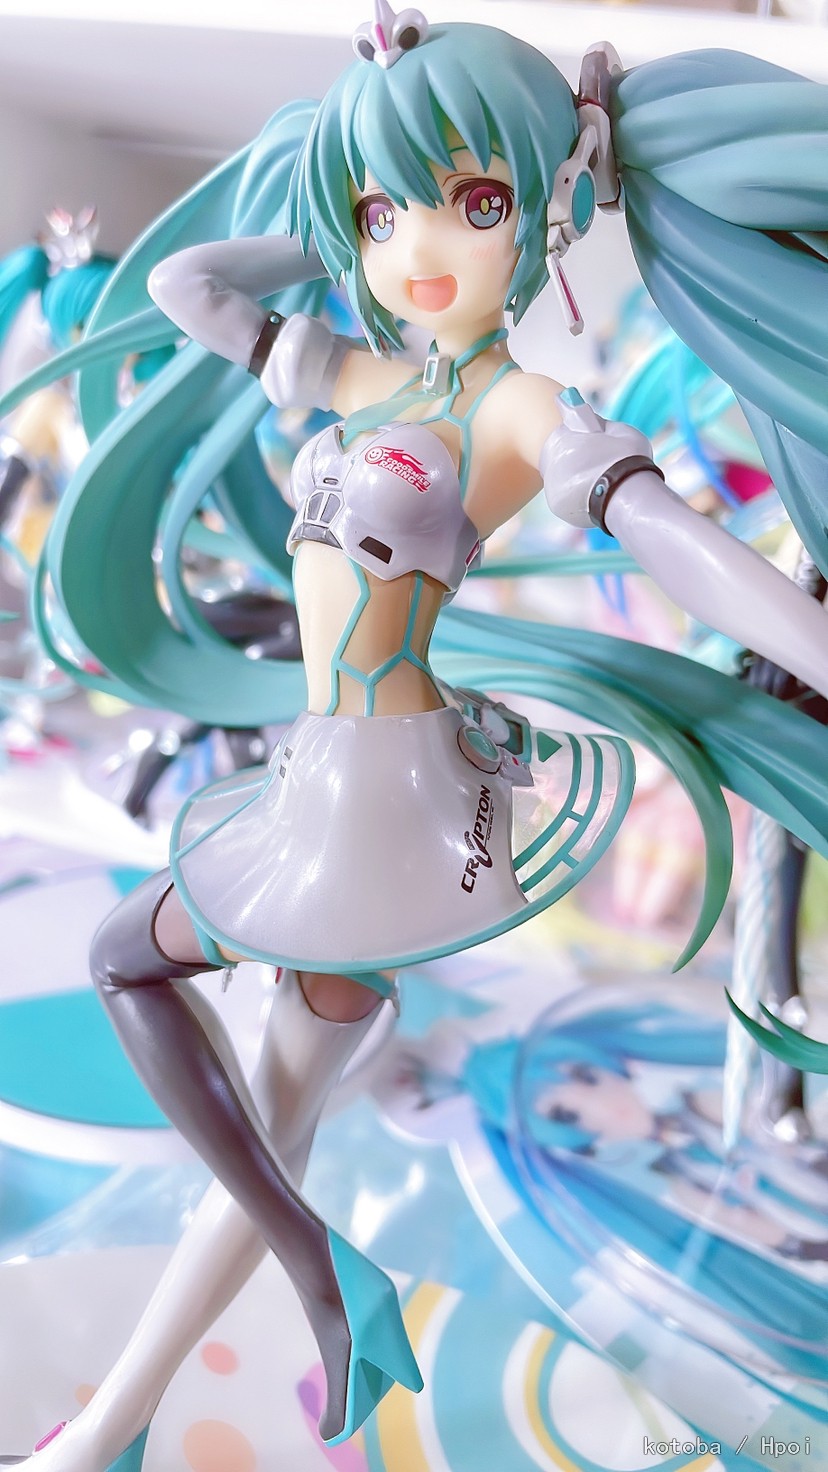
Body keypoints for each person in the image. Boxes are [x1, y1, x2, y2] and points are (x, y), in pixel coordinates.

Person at [2, 5, 828, 1466]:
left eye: (476, 202)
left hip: (386, 805)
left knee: (230, 1056)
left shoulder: (522, 408)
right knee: (231, 1060)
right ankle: (290, 1302)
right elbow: (191, 284)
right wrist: (332, 204)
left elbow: (675, 543)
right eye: (391, 214)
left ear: (549, 208)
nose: (421, 247)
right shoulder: (366, 374)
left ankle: (161, 1392)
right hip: (310, 783)